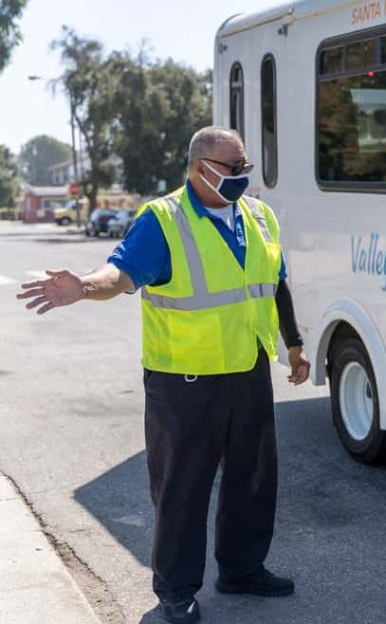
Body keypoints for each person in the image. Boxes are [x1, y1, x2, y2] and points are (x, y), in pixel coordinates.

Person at [17, 126, 309, 624]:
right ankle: (176, 590)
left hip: (248, 369)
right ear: (200, 168)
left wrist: (295, 344)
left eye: (245, 168)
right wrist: (83, 287)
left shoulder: (259, 216)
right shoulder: (163, 219)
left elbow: (274, 283)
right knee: (183, 489)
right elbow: (121, 273)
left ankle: (241, 569)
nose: (242, 177)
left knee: (254, 479)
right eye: (232, 168)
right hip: (185, 380)